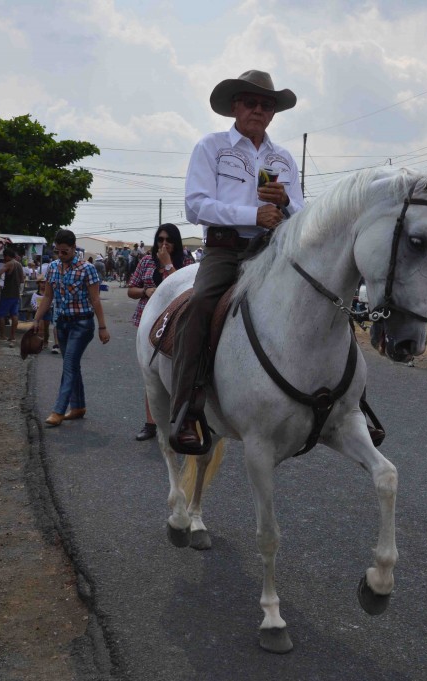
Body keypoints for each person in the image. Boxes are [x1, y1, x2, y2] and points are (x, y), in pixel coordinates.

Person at [169, 69, 304, 451]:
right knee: (198, 306)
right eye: (251, 102)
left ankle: (346, 400)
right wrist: (252, 215)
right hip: (225, 250)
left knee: (320, 296)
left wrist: (285, 203)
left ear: (274, 113)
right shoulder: (211, 147)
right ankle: (186, 409)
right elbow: (195, 206)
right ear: (235, 107)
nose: (258, 109)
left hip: (272, 249)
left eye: (266, 104)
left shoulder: (283, 158)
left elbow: (301, 210)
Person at [33, 229, 110, 427]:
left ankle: (58, 411)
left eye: (64, 251)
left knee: (68, 365)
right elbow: (48, 297)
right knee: (72, 365)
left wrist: (102, 327)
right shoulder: (52, 267)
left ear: (74, 248)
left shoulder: (87, 269)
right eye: (57, 251)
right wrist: (36, 319)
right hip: (62, 324)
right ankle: (78, 407)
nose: (60, 255)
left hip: (82, 325)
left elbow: (95, 299)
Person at [129, 223, 194, 441]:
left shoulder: (186, 262)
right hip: (148, 323)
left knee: (176, 372)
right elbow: (131, 289)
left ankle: (180, 420)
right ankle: (151, 423)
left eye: (168, 240)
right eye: (160, 240)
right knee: (150, 374)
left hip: (176, 323)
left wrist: (167, 266)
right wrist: (146, 291)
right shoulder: (146, 261)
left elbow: (186, 290)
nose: (164, 244)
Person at [0, 248, 25, 346]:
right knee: (14, 315)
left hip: (7, 293)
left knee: (1, 315)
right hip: (16, 293)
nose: (4, 258)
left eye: (4, 256)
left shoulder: (9, 264)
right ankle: (12, 337)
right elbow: (22, 280)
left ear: (7, 256)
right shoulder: (19, 264)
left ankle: (2, 335)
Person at [30, 279, 53, 351]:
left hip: (47, 312)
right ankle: (39, 343)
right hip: (39, 312)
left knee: (46, 328)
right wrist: (36, 307)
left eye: (44, 283)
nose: (43, 284)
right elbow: (32, 303)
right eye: (41, 283)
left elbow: (52, 302)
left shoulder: (49, 294)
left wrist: (49, 306)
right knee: (40, 327)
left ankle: (46, 340)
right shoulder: (35, 294)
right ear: (39, 284)